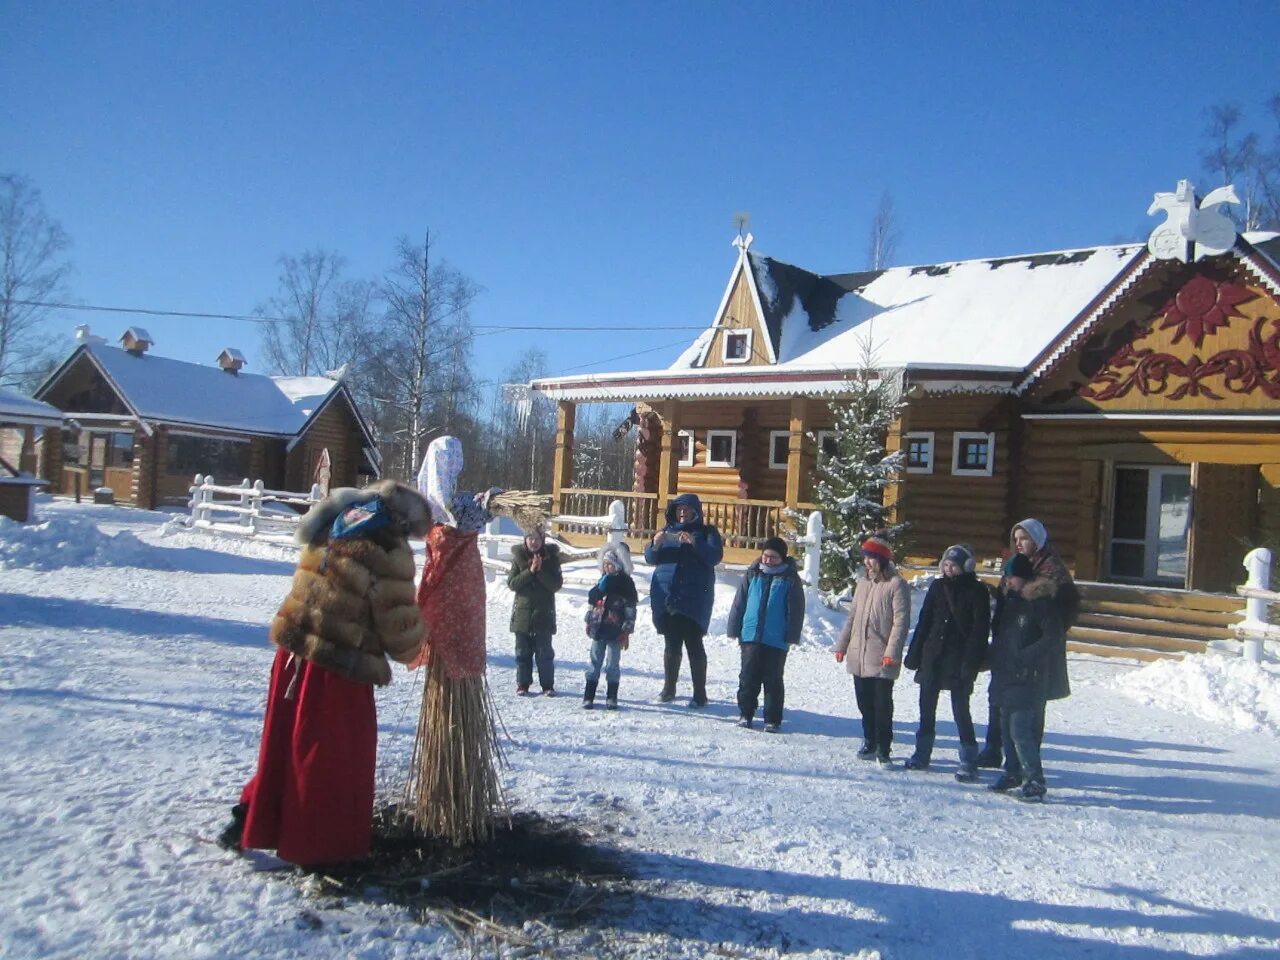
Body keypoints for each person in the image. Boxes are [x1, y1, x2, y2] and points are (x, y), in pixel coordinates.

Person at [221, 480, 430, 866]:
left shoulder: (338, 519)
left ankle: (253, 817)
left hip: (292, 654)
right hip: (337, 665)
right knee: (330, 757)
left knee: (283, 745)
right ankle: (319, 847)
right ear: (404, 520)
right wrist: (421, 643)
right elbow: (398, 628)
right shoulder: (386, 546)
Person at [976, 518, 1076, 767]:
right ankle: (993, 748)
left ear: (1037, 540)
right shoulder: (1014, 566)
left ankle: (1027, 759)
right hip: (1008, 644)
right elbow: (1004, 601)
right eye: (1017, 539)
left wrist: (1037, 636)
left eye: (1025, 538)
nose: (1020, 543)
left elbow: (1064, 612)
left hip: (1037, 650)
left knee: (1031, 705)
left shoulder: (1053, 569)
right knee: (999, 697)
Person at [902, 544, 991, 780]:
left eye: (954, 565)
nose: (949, 569)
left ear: (965, 567)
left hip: (959, 659)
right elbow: (925, 621)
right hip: (933, 656)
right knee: (926, 707)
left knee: (961, 710)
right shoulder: (937, 587)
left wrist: (971, 664)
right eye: (946, 564)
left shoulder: (977, 591)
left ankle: (969, 758)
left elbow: (979, 632)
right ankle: (922, 752)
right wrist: (914, 654)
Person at [986, 552, 1067, 802]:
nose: (1007, 581)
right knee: (1006, 727)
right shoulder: (1010, 602)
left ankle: (1035, 779)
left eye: (1012, 577)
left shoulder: (1040, 602)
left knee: (1020, 730)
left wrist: (1026, 657)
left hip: (1028, 676)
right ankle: (1012, 772)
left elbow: (1053, 636)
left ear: (1024, 578)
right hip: (1006, 674)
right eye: (1006, 577)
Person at [833, 534, 911, 766]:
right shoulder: (863, 584)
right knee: (864, 702)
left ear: (883, 560)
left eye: (872, 558)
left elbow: (901, 621)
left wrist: (892, 652)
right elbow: (853, 618)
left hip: (882, 655)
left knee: (881, 703)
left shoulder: (896, 585)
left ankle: (884, 746)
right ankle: (870, 739)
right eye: (865, 557)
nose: (867, 562)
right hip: (859, 653)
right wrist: (842, 645)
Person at [645, 493, 724, 707]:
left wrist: (695, 543)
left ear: (695, 512)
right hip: (668, 596)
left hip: (694, 599)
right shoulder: (666, 532)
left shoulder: (707, 533)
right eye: (679, 509)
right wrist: (654, 544)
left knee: (694, 643)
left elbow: (714, 556)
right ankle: (669, 688)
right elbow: (650, 559)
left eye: (686, 510)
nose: (682, 513)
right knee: (671, 644)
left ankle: (700, 693)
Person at [727, 536, 805, 732]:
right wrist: (733, 627)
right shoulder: (753, 573)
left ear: (782, 558)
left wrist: (792, 635)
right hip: (751, 635)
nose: (768, 560)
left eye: (774, 557)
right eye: (766, 556)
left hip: (776, 638)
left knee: (773, 680)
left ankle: (772, 719)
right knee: (747, 677)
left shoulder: (790, 579)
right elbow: (740, 602)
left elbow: (796, 609)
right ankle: (746, 713)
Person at [507, 527, 564, 695]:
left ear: (543, 540)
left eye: (537, 539)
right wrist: (530, 571)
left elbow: (555, 585)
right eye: (530, 538)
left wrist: (539, 572)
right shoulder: (518, 558)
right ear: (525, 540)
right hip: (523, 615)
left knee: (544, 653)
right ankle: (523, 684)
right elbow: (512, 583)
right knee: (522, 653)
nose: (533, 542)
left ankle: (547, 685)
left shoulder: (552, 559)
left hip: (544, 614)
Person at [583, 542, 638, 710]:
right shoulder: (602, 582)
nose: (607, 568)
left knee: (612, 664)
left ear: (618, 565)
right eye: (605, 564)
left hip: (616, 631)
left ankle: (612, 696)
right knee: (594, 662)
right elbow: (593, 603)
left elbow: (630, 610)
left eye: (611, 564)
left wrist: (626, 632)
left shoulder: (626, 584)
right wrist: (589, 620)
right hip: (599, 629)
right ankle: (589, 695)